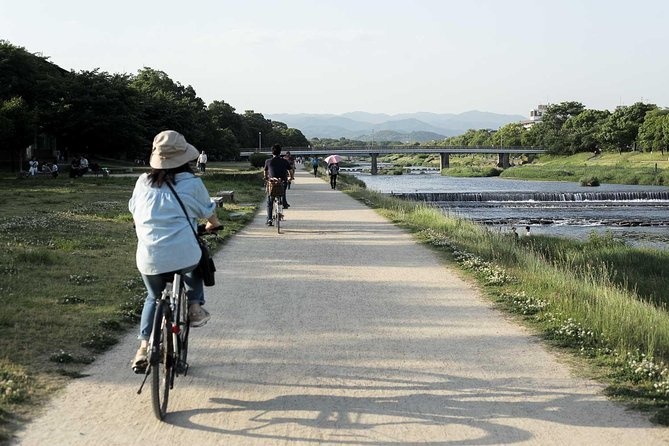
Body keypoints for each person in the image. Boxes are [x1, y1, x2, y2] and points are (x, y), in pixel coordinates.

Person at [128, 130, 222, 373]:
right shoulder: (192, 183)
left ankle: (143, 347)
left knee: (152, 297)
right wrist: (212, 224)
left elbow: (134, 210)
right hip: (183, 255)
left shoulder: (142, 182)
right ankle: (194, 305)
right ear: (185, 158)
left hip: (148, 256)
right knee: (197, 258)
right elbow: (209, 213)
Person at [264, 144, 291, 226]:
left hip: (272, 183)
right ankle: (284, 202)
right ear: (280, 152)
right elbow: (290, 171)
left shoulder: (268, 161)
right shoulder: (284, 161)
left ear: (272, 152)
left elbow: (265, 172)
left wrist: (265, 178)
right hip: (282, 182)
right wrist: (291, 177)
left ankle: (269, 219)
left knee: (270, 201)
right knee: (282, 191)